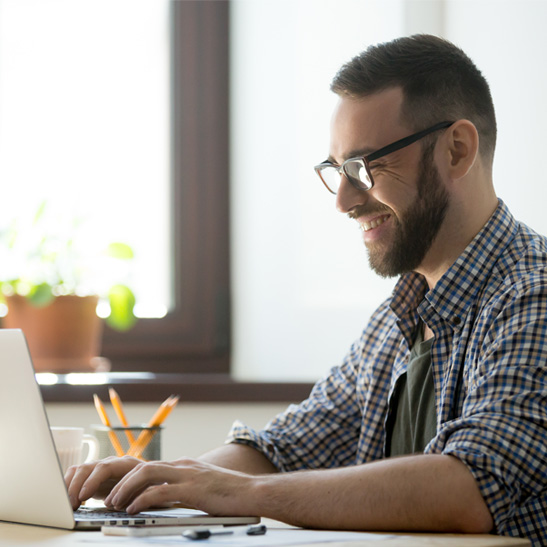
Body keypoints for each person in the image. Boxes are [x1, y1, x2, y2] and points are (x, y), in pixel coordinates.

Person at [65, 35, 547, 545]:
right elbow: (286, 449)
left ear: (457, 149)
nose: (343, 200)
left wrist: (239, 494)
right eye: (336, 171)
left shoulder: (532, 297)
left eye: (365, 167)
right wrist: (165, 485)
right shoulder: (396, 320)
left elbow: (471, 487)